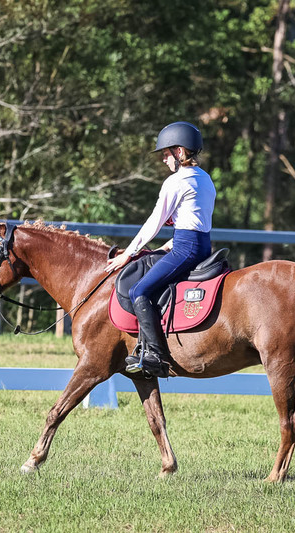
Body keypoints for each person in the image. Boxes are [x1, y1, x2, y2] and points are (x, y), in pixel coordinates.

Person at [105, 121, 216, 377]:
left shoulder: (176, 181)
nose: (164, 160)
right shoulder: (205, 179)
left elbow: (153, 223)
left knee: (139, 290)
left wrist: (128, 254)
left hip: (185, 250)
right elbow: (196, 219)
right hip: (201, 246)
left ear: (179, 152)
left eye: (166, 154)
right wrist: (172, 242)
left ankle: (155, 355)